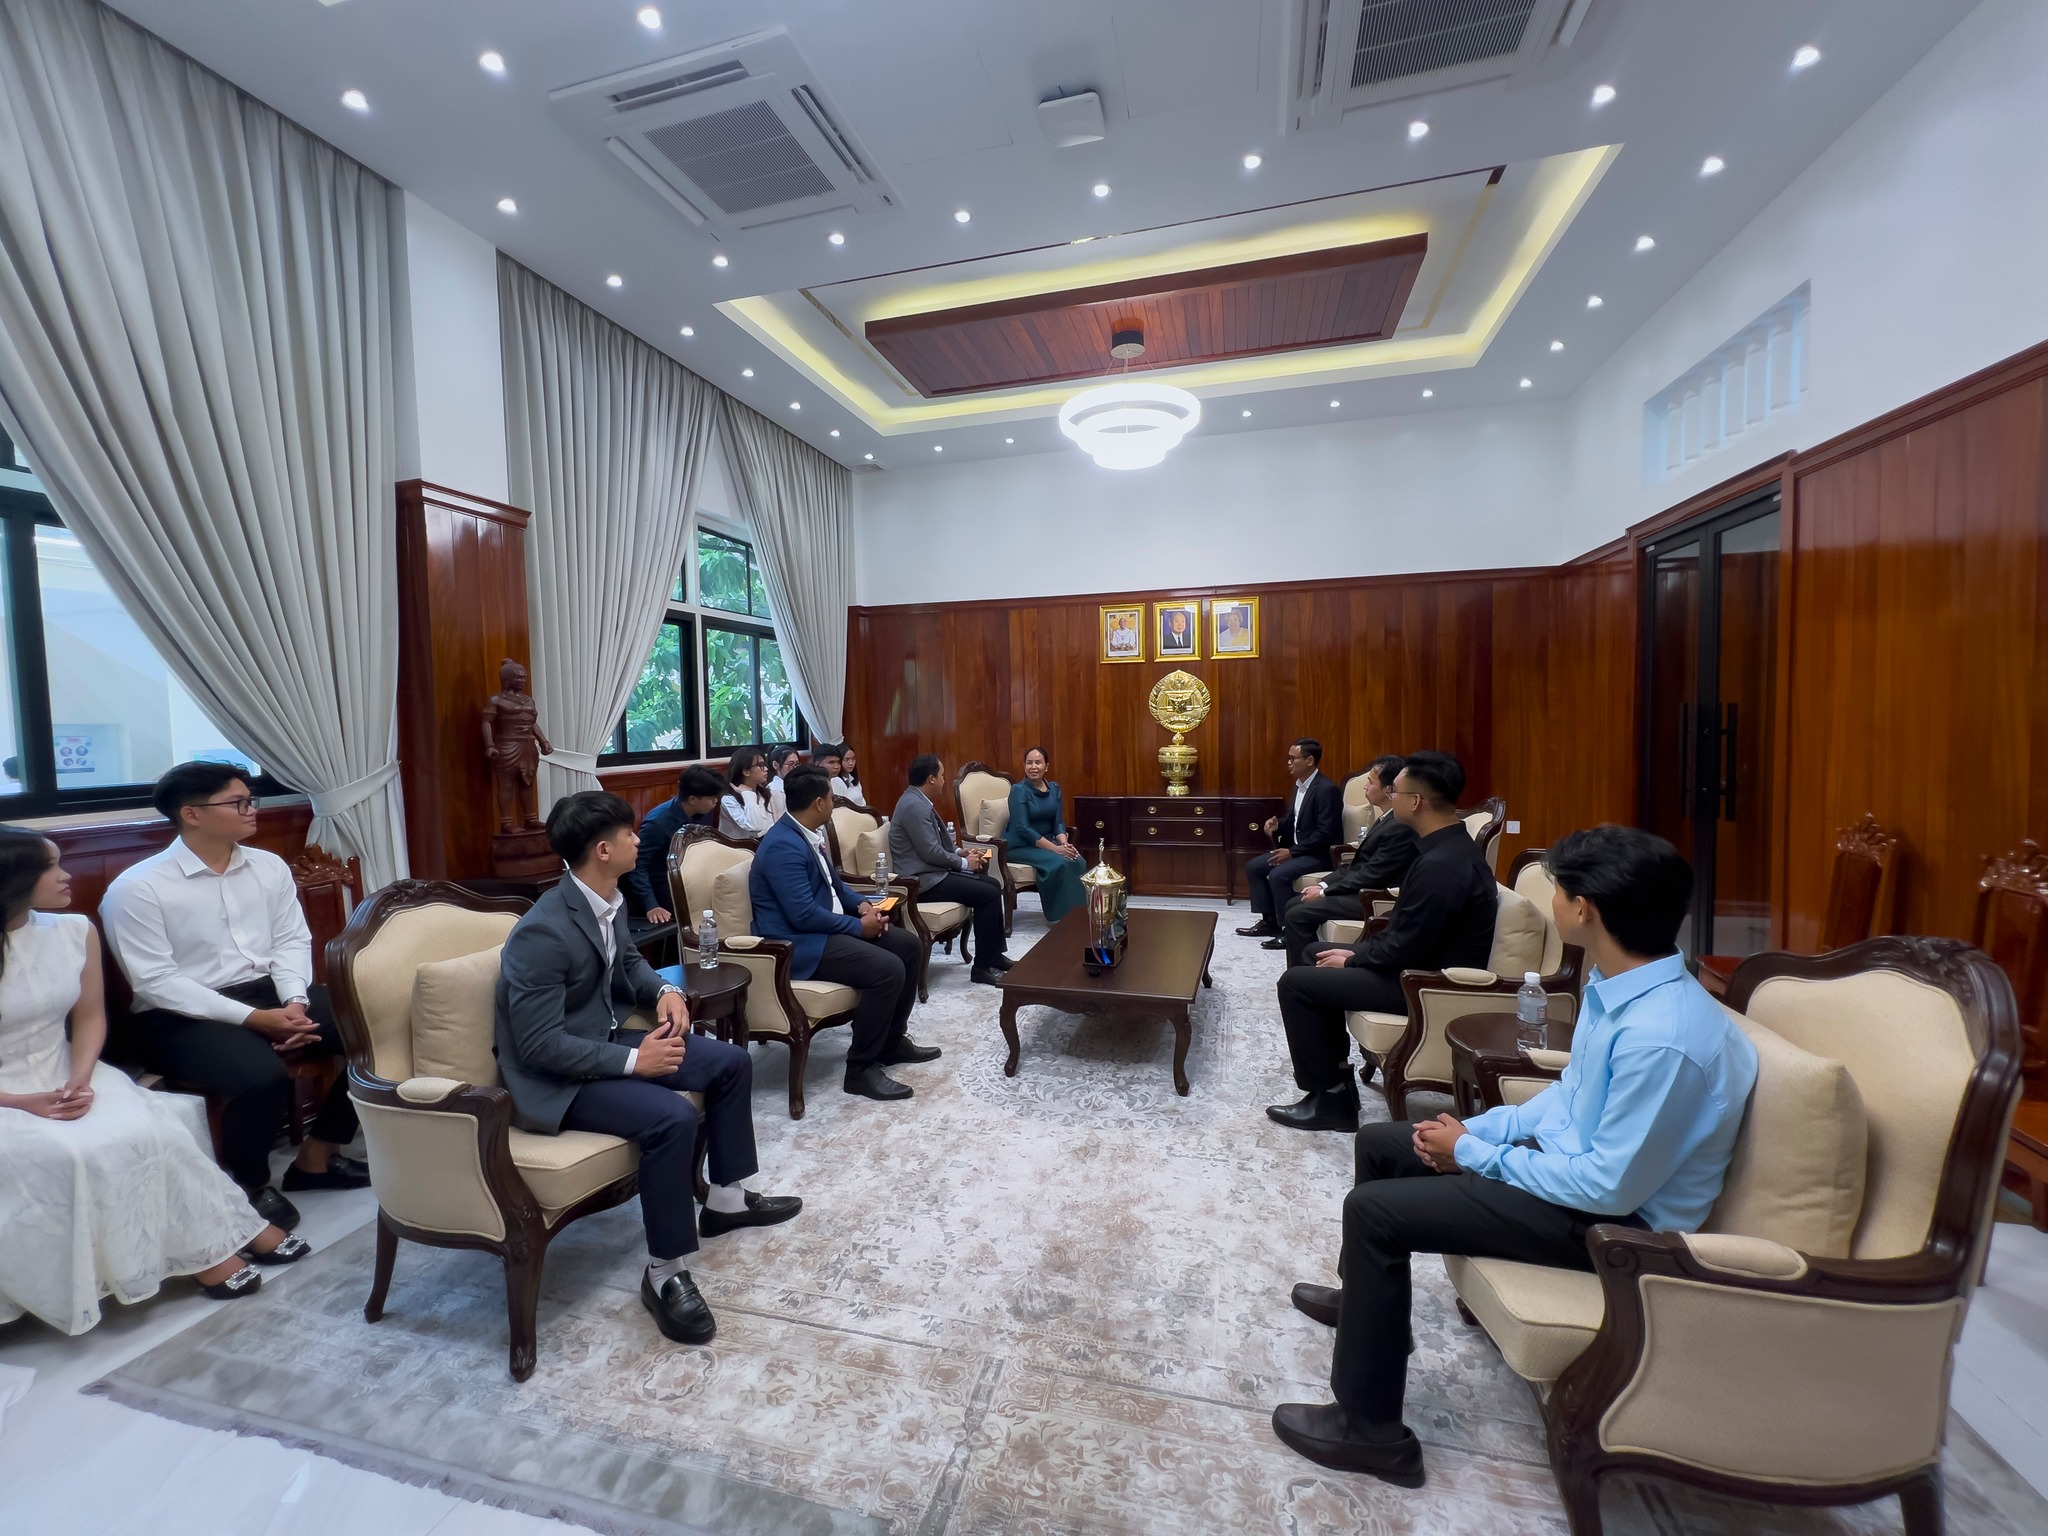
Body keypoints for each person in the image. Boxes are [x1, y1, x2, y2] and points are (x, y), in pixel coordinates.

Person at [1271, 826, 1759, 1487]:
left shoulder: (1662, 1038)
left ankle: (1372, 1433)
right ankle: (1367, 1306)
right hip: (1577, 1179)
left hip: (1618, 1229)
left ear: (1583, 908)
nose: (1550, 901)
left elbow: (1608, 1188)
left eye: (1558, 890)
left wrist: (1474, 1155)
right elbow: (1567, 1102)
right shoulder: (1624, 988)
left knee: (1374, 1212)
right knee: (1384, 1142)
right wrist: (1478, 1131)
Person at [495, 791, 801, 1347]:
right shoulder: (542, 931)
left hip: (601, 1039)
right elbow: (538, 1045)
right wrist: (635, 1061)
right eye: (630, 834)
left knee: (730, 1063)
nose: (640, 840)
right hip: (555, 1079)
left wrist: (663, 991)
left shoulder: (605, 900)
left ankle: (726, 1200)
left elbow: (630, 963)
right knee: (670, 1118)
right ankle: (665, 1272)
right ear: (603, 850)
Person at [0, 830, 308, 1334]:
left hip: (65, 1068)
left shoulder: (73, 930)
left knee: (159, 1128)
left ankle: (223, 1239)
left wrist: (80, 1077)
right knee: (73, 1149)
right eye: (49, 868)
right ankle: (204, 1256)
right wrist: (22, 1101)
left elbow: (89, 1018)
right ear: (11, 882)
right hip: (9, 1092)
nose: (65, 876)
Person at [99, 762, 369, 1230]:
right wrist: (256, 1020)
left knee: (377, 1032)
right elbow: (155, 982)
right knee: (259, 1076)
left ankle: (318, 1156)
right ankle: (249, 1187)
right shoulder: (138, 887)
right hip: (179, 1014)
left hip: (272, 994)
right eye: (237, 802)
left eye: (250, 800)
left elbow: (291, 940)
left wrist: (295, 1003)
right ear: (191, 814)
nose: (251, 810)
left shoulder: (268, 866)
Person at [1267, 751, 1495, 1133]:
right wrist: (1354, 953)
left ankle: (1330, 1100)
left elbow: (1407, 947)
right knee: (1313, 952)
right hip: (1413, 963)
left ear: (1415, 802)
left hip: (1425, 982)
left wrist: (1353, 959)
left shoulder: (1441, 865)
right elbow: (1405, 934)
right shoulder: (1443, 848)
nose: (1391, 797)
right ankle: (1339, 1078)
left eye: (1397, 792)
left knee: (1297, 984)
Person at [750, 767, 936, 1102]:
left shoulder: (807, 834)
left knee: (909, 946)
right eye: (831, 797)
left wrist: (863, 905)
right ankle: (860, 1070)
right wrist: (857, 927)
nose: (834, 802)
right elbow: (802, 914)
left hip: (825, 928)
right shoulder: (782, 846)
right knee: (887, 969)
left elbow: (836, 887)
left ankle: (892, 1042)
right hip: (799, 944)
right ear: (819, 803)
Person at [1273, 755, 1417, 964]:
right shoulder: (1387, 818)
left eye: (1370, 782)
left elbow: (1373, 874)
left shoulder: (1399, 826)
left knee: (1297, 913)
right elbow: (1359, 865)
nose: (1365, 787)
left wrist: (1324, 892)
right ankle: (1306, 965)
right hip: (1362, 887)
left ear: (1388, 789)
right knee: (1294, 904)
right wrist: (1323, 884)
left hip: (1375, 895)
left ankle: (1304, 971)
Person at [887, 755, 1013, 985]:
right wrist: (964, 863)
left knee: (993, 885)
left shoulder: (917, 799)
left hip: (932, 872)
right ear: (931, 778)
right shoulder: (914, 806)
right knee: (987, 893)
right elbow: (930, 852)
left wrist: (959, 852)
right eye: (942, 775)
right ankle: (982, 967)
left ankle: (994, 956)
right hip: (921, 882)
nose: (944, 780)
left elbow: (933, 844)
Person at [1236, 739, 1343, 940]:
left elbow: (1326, 833)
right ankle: (1269, 922)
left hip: (1318, 854)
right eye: (1289, 758)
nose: (1289, 762)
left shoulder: (1326, 789)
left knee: (1278, 875)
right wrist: (1277, 825)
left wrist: (1292, 852)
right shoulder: (1299, 787)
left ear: (1310, 760)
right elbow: (1294, 821)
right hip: (1298, 850)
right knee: (1254, 866)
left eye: (1293, 758)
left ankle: (1288, 931)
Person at [624, 765, 726, 923]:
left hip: (693, 878)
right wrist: (651, 905)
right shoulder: (657, 823)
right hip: (664, 887)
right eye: (712, 798)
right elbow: (638, 866)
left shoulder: (704, 812)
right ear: (693, 799)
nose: (716, 801)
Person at [1004, 748, 1086, 923]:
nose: (1033, 767)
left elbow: (1058, 822)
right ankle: (1061, 917)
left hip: (1046, 842)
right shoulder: (1018, 790)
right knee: (1060, 862)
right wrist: (1056, 849)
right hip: (1020, 846)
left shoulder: (1054, 789)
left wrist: (1064, 843)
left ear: (1046, 766)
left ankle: (1079, 915)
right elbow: (1023, 828)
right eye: (1029, 763)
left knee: (1078, 860)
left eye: (1038, 762)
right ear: (1024, 766)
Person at [719, 746, 777, 839]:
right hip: (738, 846)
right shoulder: (729, 799)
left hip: (764, 841)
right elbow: (754, 826)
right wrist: (747, 794)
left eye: (765, 764)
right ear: (746, 771)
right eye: (760, 765)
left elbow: (769, 826)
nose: (766, 769)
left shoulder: (763, 793)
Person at [765, 745, 803, 820]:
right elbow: (776, 818)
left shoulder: (798, 784)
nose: (795, 768)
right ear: (775, 765)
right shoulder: (773, 790)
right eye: (790, 764)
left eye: (797, 764)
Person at [830, 743, 867, 808]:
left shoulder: (853, 779)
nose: (851, 763)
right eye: (847, 759)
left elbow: (862, 802)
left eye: (853, 759)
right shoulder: (835, 781)